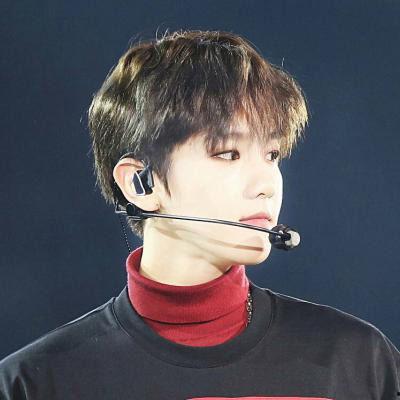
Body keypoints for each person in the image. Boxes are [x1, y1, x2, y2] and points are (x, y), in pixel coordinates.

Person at [1, 29, 399, 400]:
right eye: (228, 153)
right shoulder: (36, 382)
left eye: (272, 154)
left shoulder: (359, 361)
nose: (266, 184)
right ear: (141, 183)